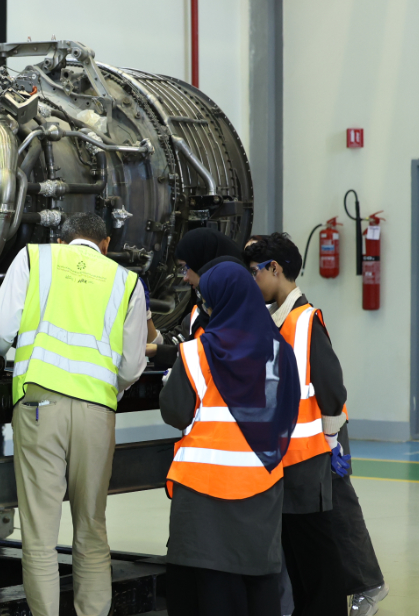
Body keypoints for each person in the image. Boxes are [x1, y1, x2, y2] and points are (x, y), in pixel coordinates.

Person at [0, 212, 147, 616]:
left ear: (63, 238)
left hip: (39, 407)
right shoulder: (126, 282)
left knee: (39, 533)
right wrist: (108, 387)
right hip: (96, 413)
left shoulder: (35, 258)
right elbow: (131, 366)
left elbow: (0, 331)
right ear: (105, 245)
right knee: (91, 527)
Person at [245, 234, 387, 616]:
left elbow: (331, 387)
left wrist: (331, 440)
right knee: (302, 548)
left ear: (275, 269)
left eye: (255, 272)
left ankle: (366, 587)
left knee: (325, 538)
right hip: (292, 454)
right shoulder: (279, 319)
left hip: (315, 451)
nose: (252, 281)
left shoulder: (305, 320)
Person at [160, 261, 302, 616]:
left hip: (201, 495)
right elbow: (288, 410)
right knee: (258, 582)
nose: (205, 308)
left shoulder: (195, 352)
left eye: (206, 300)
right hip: (260, 487)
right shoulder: (280, 351)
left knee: (209, 588)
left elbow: (175, 411)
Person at [149, 228, 248, 366]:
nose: (185, 277)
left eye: (186, 268)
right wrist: (146, 314)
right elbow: (168, 344)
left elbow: (214, 356)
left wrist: (162, 352)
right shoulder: (198, 313)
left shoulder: (244, 315)